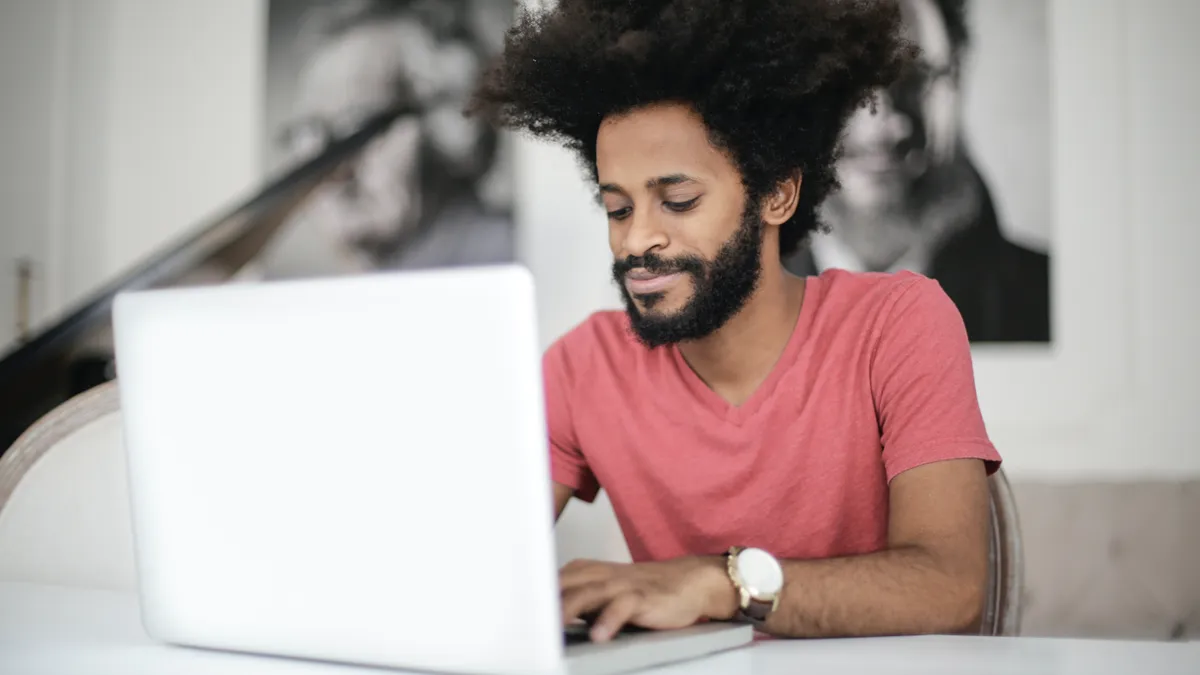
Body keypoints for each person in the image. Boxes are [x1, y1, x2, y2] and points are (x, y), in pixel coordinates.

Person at [468, 0, 1003, 642]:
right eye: (616, 208)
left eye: (679, 200)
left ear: (776, 193)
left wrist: (719, 584)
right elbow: (474, 566)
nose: (637, 239)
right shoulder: (584, 367)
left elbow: (949, 589)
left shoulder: (898, 324)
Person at [782, 0, 1051, 343]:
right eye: (843, 81)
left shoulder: (1050, 301)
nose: (878, 124)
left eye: (913, 78)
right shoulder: (725, 318)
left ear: (957, 79)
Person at [259, 0, 514, 279]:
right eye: (308, 132)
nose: (330, 174)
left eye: (357, 128)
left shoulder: (511, 259)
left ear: (452, 123)